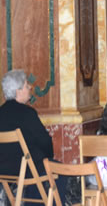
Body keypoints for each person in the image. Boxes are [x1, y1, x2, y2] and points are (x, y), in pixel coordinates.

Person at [0, 70, 67, 205]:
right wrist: (48, 158)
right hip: (26, 170)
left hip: (4, 170)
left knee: (37, 167)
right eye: (26, 85)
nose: (30, 87)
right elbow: (45, 142)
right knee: (59, 171)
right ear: (18, 91)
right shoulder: (28, 113)